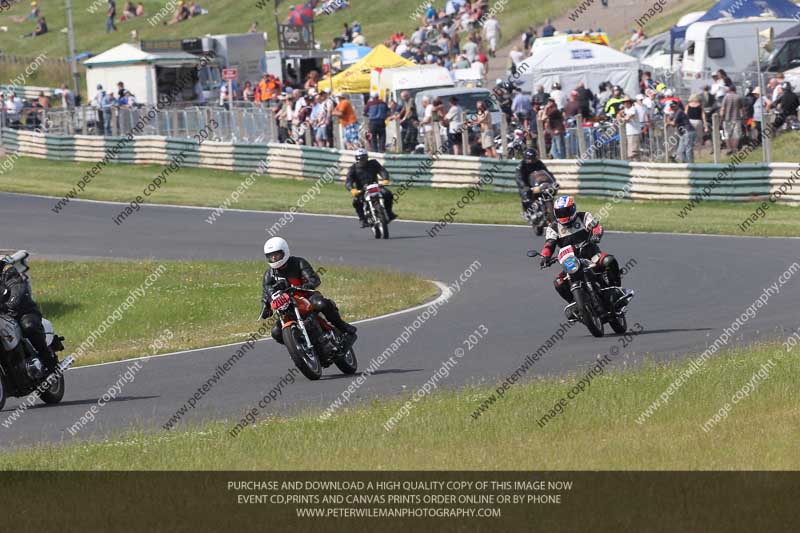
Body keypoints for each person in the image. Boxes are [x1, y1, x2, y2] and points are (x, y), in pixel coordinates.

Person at [539, 196, 629, 316]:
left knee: (609, 260)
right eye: (560, 212)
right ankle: (575, 304)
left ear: (573, 209)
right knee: (558, 282)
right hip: (571, 261)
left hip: (591, 255)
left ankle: (617, 290)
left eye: (566, 211)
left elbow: (596, 227)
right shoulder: (553, 227)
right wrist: (545, 256)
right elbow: (549, 244)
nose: (564, 215)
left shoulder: (584, 216)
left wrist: (596, 235)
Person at [259, 237, 357, 348]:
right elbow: (266, 291)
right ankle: (299, 347)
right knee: (276, 332)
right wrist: (265, 306)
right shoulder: (269, 274)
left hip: (307, 296)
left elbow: (314, 279)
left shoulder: (298, 262)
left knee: (322, 304)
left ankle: (344, 328)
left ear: (284, 251)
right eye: (271, 256)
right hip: (288, 305)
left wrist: (303, 286)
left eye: (276, 254)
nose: (274, 258)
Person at [0, 261, 56, 371]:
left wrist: (10, 303)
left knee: (29, 326)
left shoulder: (6, 270)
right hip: (3, 316)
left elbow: (17, 287)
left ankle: (49, 361)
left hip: (21, 312)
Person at [345, 149, 397, 226]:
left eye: (364, 158)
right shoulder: (353, 169)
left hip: (375, 187)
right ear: (357, 159)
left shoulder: (373, 163)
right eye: (360, 158)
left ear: (367, 157)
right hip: (362, 190)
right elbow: (348, 181)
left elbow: (382, 171)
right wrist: (352, 189)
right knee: (356, 202)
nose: (363, 160)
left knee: (388, 194)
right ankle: (362, 219)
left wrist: (385, 179)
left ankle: (389, 212)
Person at [515, 148, 553, 218]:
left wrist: (552, 180)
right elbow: (519, 178)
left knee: (550, 192)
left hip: (538, 184)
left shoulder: (539, 163)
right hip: (528, 185)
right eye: (530, 159)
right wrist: (524, 186)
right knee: (526, 194)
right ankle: (528, 212)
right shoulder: (521, 166)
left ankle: (551, 211)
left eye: (533, 158)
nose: (532, 161)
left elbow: (547, 172)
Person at [720, 85, 743, 155]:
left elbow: (723, 109)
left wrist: (721, 117)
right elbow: (741, 108)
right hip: (736, 118)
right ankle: (734, 149)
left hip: (727, 118)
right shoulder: (738, 97)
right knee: (736, 134)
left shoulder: (726, 97)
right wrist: (743, 117)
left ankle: (729, 148)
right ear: (735, 89)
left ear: (729, 90)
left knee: (727, 134)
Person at [618, 96, 641, 161]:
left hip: (634, 132)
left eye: (627, 102)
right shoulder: (626, 110)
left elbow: (628, 118)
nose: (625, 103)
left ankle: (636, 166)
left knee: (633, 152)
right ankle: (636, 166)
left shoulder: (633, 109)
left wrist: (622, 118)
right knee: (632, 152)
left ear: (630, 102)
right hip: (629, 133)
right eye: (624, 102)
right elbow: (618, 116)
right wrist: (620, 116)